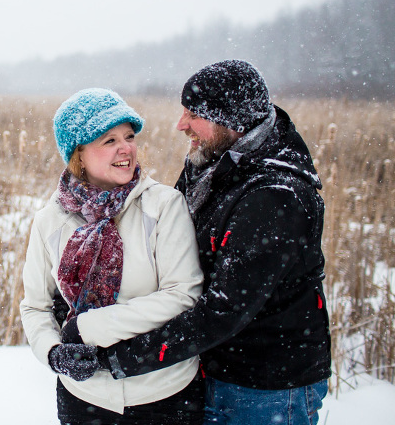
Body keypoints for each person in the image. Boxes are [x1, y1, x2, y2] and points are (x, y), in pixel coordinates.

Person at [89, 60, 332, 424]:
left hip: (265, 389)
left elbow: (222, 310)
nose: (180, 124)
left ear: (231, 119)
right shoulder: (214, 166)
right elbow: (167, 251)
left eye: (193, 114)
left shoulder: (273, 197)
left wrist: (116, 359)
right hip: (213, 368)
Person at [20, 88, 205, 425]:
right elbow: (35, 306)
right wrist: (54, 353)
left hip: (164, 394)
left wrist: (88, 328)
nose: (126, 148)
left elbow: (182, 295)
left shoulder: (163, 206)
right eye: (109, 140)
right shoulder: (51, 220)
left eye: (129, 136)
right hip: (84, 398)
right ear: (79, 154)